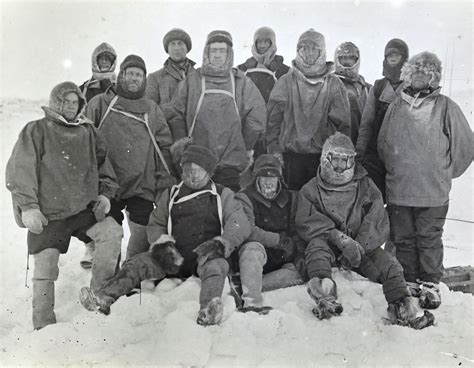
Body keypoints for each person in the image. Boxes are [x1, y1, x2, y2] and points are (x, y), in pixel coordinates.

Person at [79, 145, 251, 326]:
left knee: (218, 267)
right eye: (188, 170)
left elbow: (239, 222)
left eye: (198, 171)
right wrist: (161, 244)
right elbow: (156, 223)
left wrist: (221, 243)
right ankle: (104, 298)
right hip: (173, 257)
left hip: (206, 256)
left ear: (208, 172)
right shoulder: (172, 194)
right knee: (137, 263)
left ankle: (208, 309)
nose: (192, 176)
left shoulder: (222, 194)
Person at [5, 81, 121, 330]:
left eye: (75, 102)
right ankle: (43, 325)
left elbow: (105, 168)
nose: (71, 106)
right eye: (65, 101)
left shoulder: (88, 132)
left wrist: (105, 195)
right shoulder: (37, 130)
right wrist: (28, 207)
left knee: (112, 233)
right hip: (49, 214)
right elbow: (20, 170)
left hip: (82, 211)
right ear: (56, 102)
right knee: (45, 266)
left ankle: (99, 295)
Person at [296, 133, 434, 329]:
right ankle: (325, 297)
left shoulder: (365, 185)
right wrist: (340, 240)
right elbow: (307, 222)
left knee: (390, 265)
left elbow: (376, 219)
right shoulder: (310, 190)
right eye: (336, 159)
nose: (340, 166)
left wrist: (357, 246)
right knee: (316, 249)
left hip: (361, 248)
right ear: (326, 159)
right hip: (328, 244)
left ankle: (404, 307)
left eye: (346, 161)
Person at [378, 51, 474, 309]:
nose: (421, 76)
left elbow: (465, 146)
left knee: (429, 238)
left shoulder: (445, 107)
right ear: (408, 75)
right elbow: (383, 145)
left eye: (427, 72)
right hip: (400, 190)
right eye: (416, 71)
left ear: (434, 77)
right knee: (404, 239)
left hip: (433, 192)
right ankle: (409, 280)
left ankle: (431, 284)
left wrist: (444, 173)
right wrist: (396, 170)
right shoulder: (397, 106)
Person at [86, 55, 175, 260]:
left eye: (139, 75)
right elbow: (86, 138)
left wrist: (164, 177)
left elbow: (163, 144)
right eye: (130, 73)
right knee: (110, 232)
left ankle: (131, 272)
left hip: (141, 181)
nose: (134, 78)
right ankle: (109, 275)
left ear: (144, 79)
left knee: (142, 230)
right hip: (108, 182)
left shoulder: (151, 109)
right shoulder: (101, 103)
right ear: (121, 75)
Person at [167, 30, 266, 192]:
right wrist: (182, 145)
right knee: (199, 208)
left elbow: (256, 118)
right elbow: (175, 113)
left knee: (228, 206)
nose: (218, 55)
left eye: (222, 51)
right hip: (197, 159)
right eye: (213, 50)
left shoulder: (241, 81)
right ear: (207, 52)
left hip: (230, 163)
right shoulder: (193, 80)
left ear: (229, 54)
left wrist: (244, 146)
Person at [266, 29, 351, 190]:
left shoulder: (334, 84)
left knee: (318, 209)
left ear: (322, 52)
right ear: (298, 51)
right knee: (292, 207)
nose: (309, 53)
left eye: (314, 48)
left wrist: (337, 158)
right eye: (304, 48)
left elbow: (343, 126)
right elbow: (273, 121)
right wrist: (274, 150)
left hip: (323, 159)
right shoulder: (286, 82)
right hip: (290, 158)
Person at [235, 154, 306, 313]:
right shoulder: (244, 197)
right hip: (258, 253)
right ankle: (252, 303)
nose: (268, 182)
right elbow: (248, 230)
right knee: (251, 249)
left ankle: (243, 284)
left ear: (279, 179)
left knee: (302, 271)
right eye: (263, 177)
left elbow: (296, 229)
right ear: (256, 179)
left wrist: (299, 253)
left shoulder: (290, 198)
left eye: (272, 177)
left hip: (281, 257)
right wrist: (278, 240)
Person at [355, 39, 409, 200]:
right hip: (375, 155)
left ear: (404, 58)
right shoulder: (378, 87)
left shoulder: (411, 87)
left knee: (397, 203)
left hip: (401, 157)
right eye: (389, 54)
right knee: (373, 199)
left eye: (396, 54)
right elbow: (367, 123)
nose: (392, 57)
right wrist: (359, 152)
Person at [146, 29, 196, 119]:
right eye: (172, 44)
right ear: (167, 49)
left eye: (180, 43)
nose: (176, 48)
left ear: (187, 48)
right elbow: (150, 111)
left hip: (196, 130)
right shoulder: (155, 77)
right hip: (168, 131)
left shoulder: (198, 76)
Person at [333, 42, 372, 145]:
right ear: (337, 60)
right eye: (343, 58)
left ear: (357, 60)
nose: (347, 61)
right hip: (336, 146)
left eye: (351, 58)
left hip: (361, 145)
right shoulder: (328, 83)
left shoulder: (368, 88)